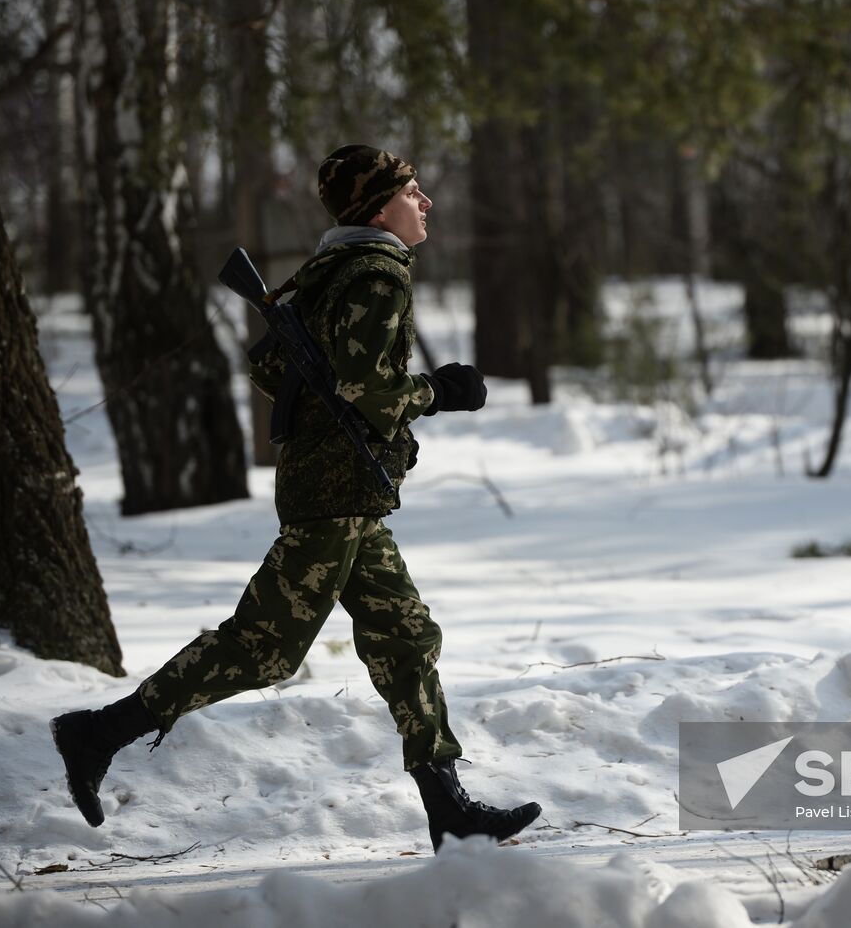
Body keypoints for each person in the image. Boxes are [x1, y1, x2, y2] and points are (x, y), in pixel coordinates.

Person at [50, 144, 541, 852]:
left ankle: (449, 809)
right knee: (264, 647)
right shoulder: (375, 276)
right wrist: (441, 391)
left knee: (404, 639)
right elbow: (365, 389)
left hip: (342, 493)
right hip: (335, 493)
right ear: (378, 208)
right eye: (413, 193)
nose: (426, 203)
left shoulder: (327, 270)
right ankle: (97, 733)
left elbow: (272, 368)